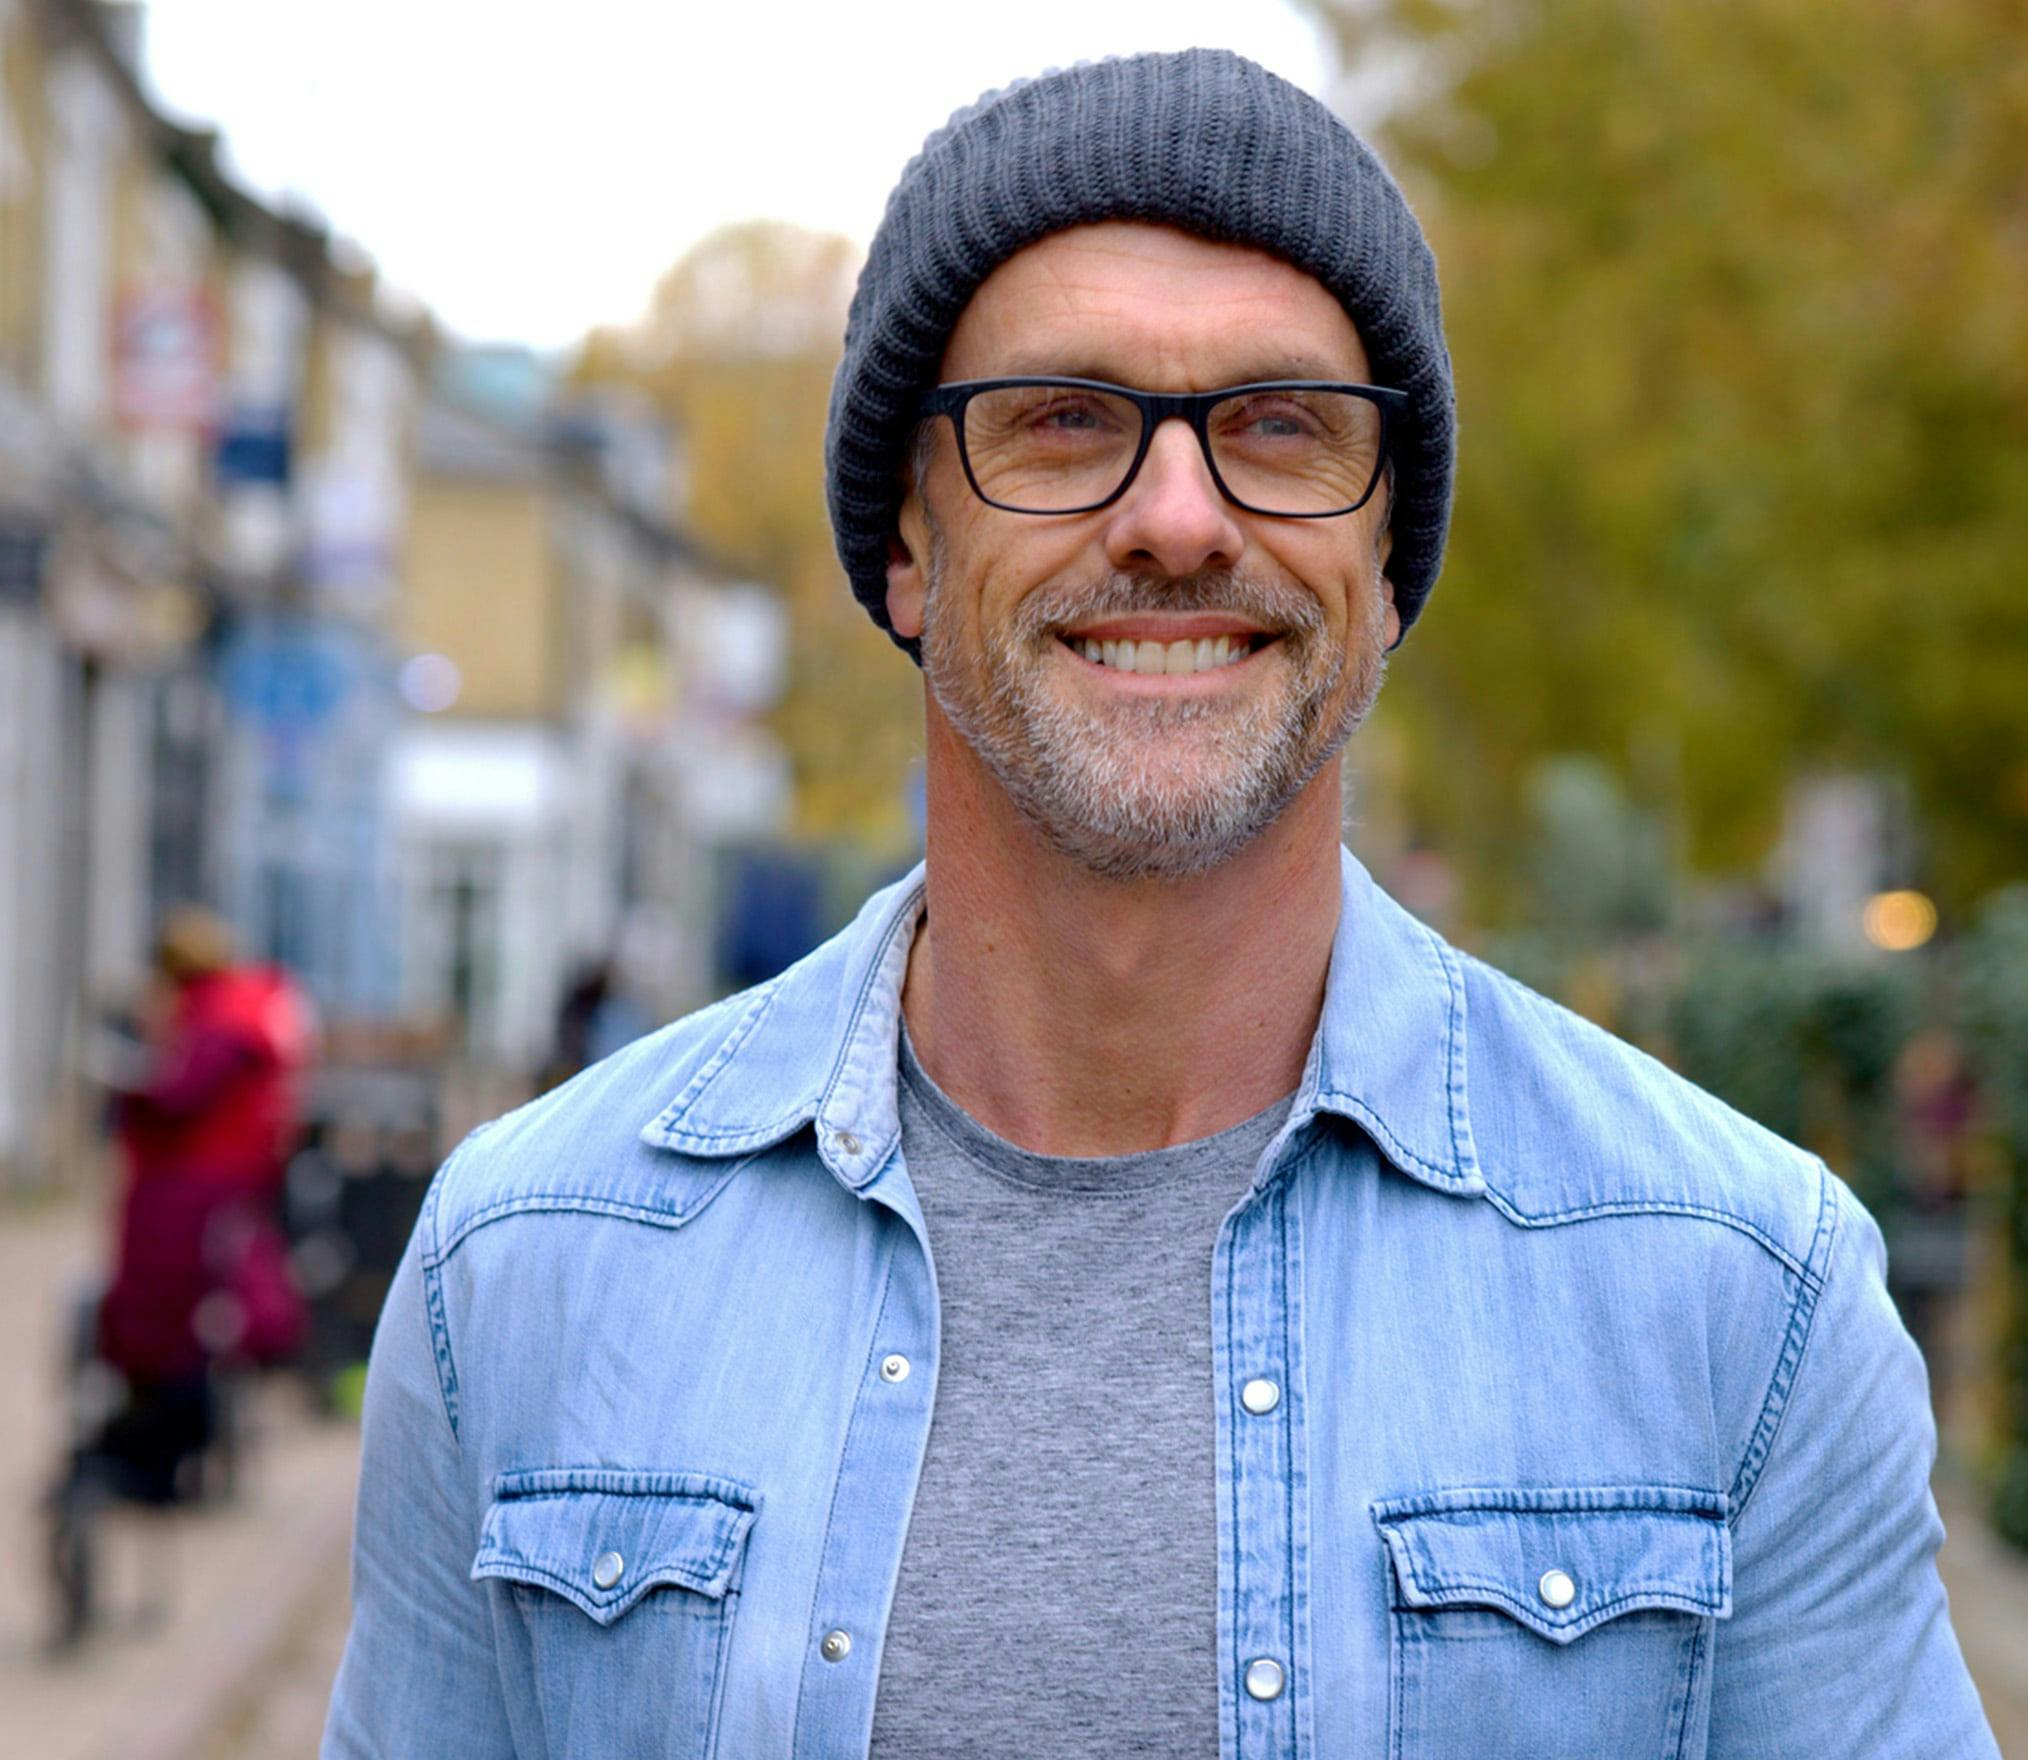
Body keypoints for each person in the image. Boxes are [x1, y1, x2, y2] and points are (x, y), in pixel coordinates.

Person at [324, 51, 1997, 1759]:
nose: (1177, 518)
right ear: (906, 543)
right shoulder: (530, 1263)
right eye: (1061, 420)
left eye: (1280, 426)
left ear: (1389, 557)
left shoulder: (1732, 1287)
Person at [91, 906, 313, 1501]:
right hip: (224, 1185)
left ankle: (159, 1460)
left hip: (190, 1189)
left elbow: (179, 1095)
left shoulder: (217, 1019)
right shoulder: (248, 1008)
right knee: (197, 1314)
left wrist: (127, 1082)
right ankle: (172, 1449)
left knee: (168, 1318)